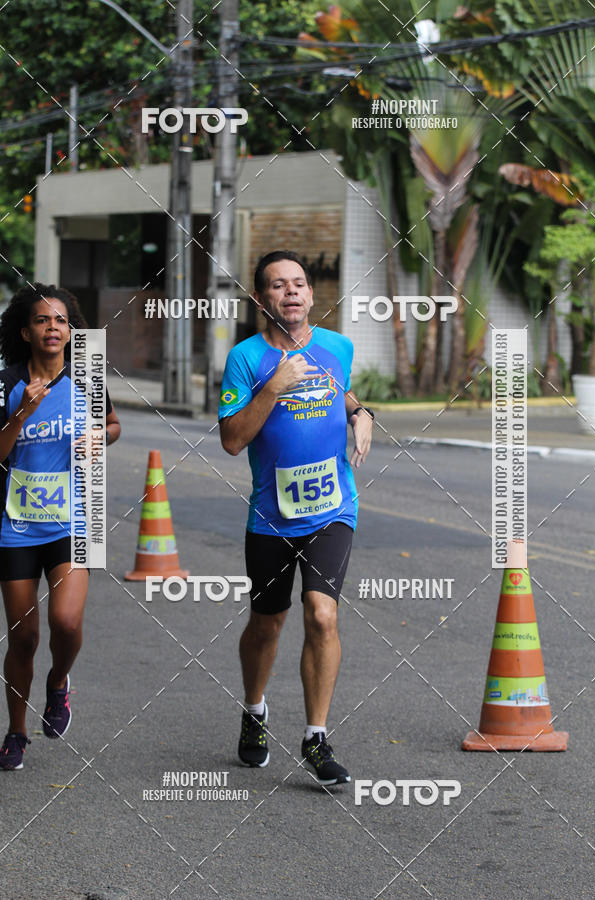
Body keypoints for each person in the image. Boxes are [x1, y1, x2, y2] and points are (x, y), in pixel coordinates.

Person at [219, 250, 373, 785]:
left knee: (322, 614)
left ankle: (315, 737)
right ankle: (255, 711)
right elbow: (233, 440)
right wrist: (273, 387)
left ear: (311, 295)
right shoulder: (245, 359)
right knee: (267, 624)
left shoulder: (337, 347)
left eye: (300, 283)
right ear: (263, 298)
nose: (292, 292)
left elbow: (338, 388)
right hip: (272, 516)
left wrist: (360, 412)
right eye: (279, 285)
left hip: (334, 507)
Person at [0, 283, 120, 770]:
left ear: (72, 331)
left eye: (62, 321)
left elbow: (112, 425)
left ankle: (58, 683)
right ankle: (16, 732)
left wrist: (100, 437)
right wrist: (23, 413)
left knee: (66, 622)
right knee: (23, 638)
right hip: (16, 525)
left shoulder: (88, 377)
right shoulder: (7, 381)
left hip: (76, 518)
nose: (54, 327)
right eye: (44, 320)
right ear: (27, 331)